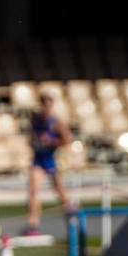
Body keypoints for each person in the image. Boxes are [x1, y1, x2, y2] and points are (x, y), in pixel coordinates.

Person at [26, 93, 75, 236]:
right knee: (33, 190)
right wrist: (34, 141)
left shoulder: (56, 122)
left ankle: (71, 213)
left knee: (59, 190)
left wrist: (51, 142)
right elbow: (30, 138)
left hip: (52, 159)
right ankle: (33, 224)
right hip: (39, 159)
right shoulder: (36, 120)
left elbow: (67, 140)